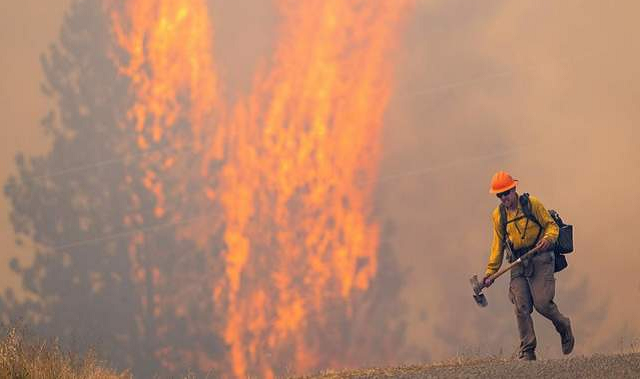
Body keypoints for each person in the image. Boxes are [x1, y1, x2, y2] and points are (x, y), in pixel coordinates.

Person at [483, 171, 574, 361]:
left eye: (506, 193)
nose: (504, 198)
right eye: (499, 195)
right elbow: (497, 246)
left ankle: (564, 326)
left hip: (541, 257)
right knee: (521, 306)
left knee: (542, 304)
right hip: (518, 262)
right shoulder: (498, 216)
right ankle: (528, 350)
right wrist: (490, 272)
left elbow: (552, 226)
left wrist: (549, 239)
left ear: (514, 189)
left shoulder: (532, 204)